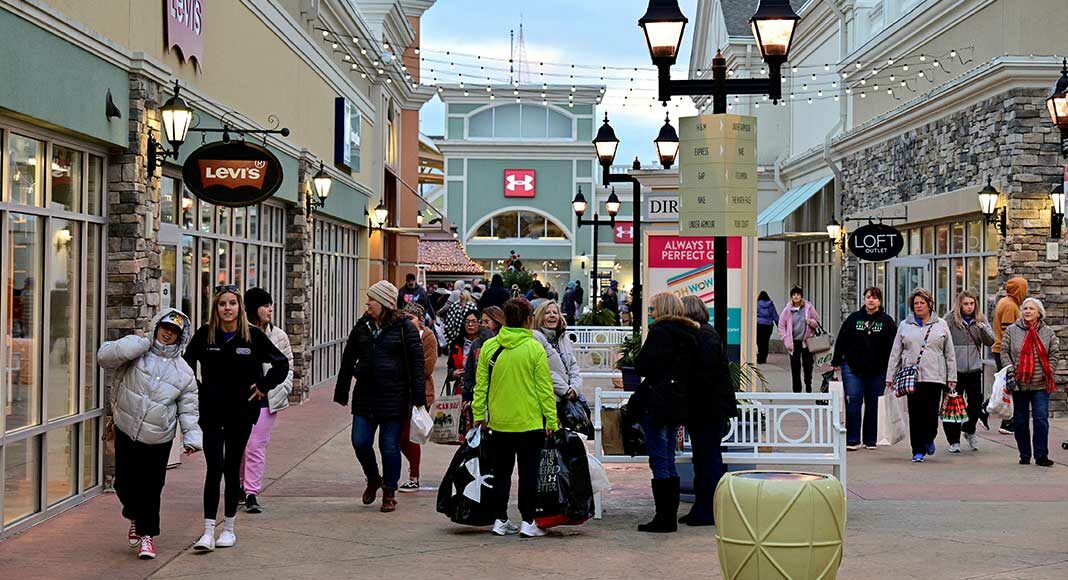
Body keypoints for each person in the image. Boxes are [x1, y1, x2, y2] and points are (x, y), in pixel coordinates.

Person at [185, 285, 290, 551]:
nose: (227, 308)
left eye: (232, 303)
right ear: (216, 308)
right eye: (222, 304)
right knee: (214, 468)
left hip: (241, 413)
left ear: (240, 307)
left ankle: (229, 529)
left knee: (232, 468)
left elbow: (281, 364)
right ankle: (208, 531)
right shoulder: (204, 335)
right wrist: (199, 390)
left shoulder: (253, 336)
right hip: (211, 412)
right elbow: (185, 365)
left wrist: (264, 386)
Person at [99, 309, 200, 560]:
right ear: (156, 327)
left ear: (181, 336)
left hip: (159, 438)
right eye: (165, 327)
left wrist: (192, 437)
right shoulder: (137, 352)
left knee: (151, 488)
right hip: (126, 428)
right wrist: (138, 344)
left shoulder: (184, 372)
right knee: (123, 483)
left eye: (174, 331)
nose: (168, 333)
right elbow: (104, 357)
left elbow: (188, 408)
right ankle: (134, 515)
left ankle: (147, 535)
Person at [333, 280, 426, 513]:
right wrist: (342, 390)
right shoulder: (362, 326)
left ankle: (389, 492)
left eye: (371, 299)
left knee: (389, 446)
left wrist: (418, 399)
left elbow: (417, 364)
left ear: (384, 303)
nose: (367, 303)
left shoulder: (405, 328)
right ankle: (373, 478)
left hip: (394, 397)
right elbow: (348, 358)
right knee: (360, 442)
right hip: (365, 396)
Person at [473, 298, 557, 538]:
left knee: (501, 474)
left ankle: (500, 519)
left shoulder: (489, 347)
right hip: (530, 422)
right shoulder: (534, 348)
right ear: (528, 319)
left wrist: (479, 414)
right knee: (529, 474)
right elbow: (545, 389)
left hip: (498, 422)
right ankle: (528, 521)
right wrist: (551, 419)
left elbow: (481, 385)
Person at [631, 292, 699, 533]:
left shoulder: (660, 333)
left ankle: (664, 517)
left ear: (663, 309)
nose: (651, 313)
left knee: (659, 459)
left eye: (653, 308)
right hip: (677, 403)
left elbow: (643, 365)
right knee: (668, 457)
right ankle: (669, 516)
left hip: (657, 403)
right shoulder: (690, 334)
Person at [679, 296, 733, 527]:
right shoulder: (704, 335)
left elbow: (704, 375)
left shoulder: (705, 337)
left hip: (708, 410)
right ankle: (702, 507)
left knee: (707, 459)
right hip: (706, 409)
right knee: (702, 459)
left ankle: (709, 510)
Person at [885, 288, 957, 463]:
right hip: (912, 376)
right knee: (915, 414)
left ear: (929, 305)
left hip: (934, 376)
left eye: (922, 303)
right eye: (916, 303)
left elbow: (950, 353)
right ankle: (917, 449)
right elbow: (895, 352)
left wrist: (952, 377)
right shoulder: (905, 325)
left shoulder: (941, 324)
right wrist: (890, 376)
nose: (918, 306)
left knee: (931, 413)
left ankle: (929, 438)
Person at [239, 288, 294, 514]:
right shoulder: (240, 333)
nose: (270, 309)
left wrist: (277, 389)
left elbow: (288, 366)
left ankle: (251, 492)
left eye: (270, 304)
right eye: (265, 305)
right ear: (253, 308)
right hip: (241, 399)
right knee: (240, 446)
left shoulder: (279, 336)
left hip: (267, 400)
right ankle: (239, 486)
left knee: (255, 446)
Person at [831, 287, 897, 450]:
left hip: (878, 369)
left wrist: (893, 368)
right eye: (868, 297)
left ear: (880, 301)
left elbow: (894, 346)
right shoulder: (854, 319)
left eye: (875, 298)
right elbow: (842, 338)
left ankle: (870, 439)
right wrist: (836, 360)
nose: (871, 300)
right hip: (852, 367)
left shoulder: (887, 321)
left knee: (873, 403)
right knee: (853, 401)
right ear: (864, 299)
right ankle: (852, 439)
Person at [1001, 298, 1060, 467]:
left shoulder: (1047, 332)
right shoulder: (1012, 330)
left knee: (1041, 419)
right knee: (1020, 421)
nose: (1027, 311)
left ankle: (1041, 455)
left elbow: (1054, 353)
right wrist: (1010, 371)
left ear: (1039, 313)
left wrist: (1049, 370)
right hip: (1019, 384)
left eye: (1031, 309)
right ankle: (1025, 454)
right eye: (1025, 308)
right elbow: (1004, 351)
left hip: (1040, 383)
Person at [945, 290, 995, 452]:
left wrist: (982, 328)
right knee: (954, 406)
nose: (969, 307)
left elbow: (991, 341)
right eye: (965, 304)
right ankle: (954, 440)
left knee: (975, 404)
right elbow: (942, 339)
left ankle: (969, 429)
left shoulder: (980, 319)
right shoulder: (950, 320)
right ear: (959, 305)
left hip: (974, 369)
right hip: (955, 371)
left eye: (972, 303)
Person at [398, 302, 439, 491]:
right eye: (404, 317)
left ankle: (414, 475)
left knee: (409, 436)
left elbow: (427, 368)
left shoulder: (427, 337)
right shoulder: (399, 334)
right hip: (398, 392)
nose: (406, 321)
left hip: (419, 393)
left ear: (420, 320)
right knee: (398, 437)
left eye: (410, 318)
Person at [992, 276, 1028, 435]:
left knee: (1007, 385)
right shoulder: (1010, 305)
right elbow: (1008, 332)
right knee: (1009, 386)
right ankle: (1005, 421)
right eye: (1024, 288)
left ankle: (1006, 420)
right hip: (1005, 351)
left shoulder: (1006, 302)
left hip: (1001, 349)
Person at [533, 302, 583, 402]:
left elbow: (573, 366)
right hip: (548, 399)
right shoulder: (535, 339)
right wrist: (565, 390)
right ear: (539, 317)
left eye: (555, 313)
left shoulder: (564, 338)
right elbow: (544, 370)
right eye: (547, 313)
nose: (552, 315)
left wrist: (575, 388)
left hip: (568, 397)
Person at [778, 287, 821, 393]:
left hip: (807, 341)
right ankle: (797, 390)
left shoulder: (808, 307)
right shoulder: (787, 309)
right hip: (793, 342)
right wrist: (785, 338)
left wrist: (811, 322)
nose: (796, 297)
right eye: (794, 295)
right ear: (791, 297)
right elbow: (781, 325)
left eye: (798, 294)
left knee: (808, 365)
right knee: (795, 365)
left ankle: (808, 384)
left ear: (801, 296)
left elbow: (817, 321)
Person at [447, 311, 483, 396]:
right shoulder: (456, 344)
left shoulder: (485, 343)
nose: (470, 324)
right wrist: (453, 373)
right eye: (467, 321)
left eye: (474, 321)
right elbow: (450, 369)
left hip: (480, 390)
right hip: (461, 391)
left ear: (479, 324)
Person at [755, 291, 779, 364]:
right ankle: (763, 358)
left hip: (758, 325)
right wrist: (779, 325)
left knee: (759, 342)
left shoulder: (757, 304)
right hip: (768, 326)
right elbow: (774, 315)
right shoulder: (770, 304)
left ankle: (759, 358)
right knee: (765, 342)